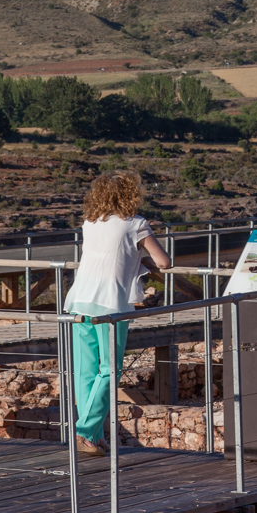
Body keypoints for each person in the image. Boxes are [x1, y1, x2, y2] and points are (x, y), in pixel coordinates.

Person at [62, 172, 171, 457]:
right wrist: (141, 256)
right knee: (110, 370)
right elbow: (164, 261)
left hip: (78, 301)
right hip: (110, 306)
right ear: (129, 195)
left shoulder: (90, 223)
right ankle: (85, 430)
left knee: (86, 373)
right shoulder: (136, 225)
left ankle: (93, 438)